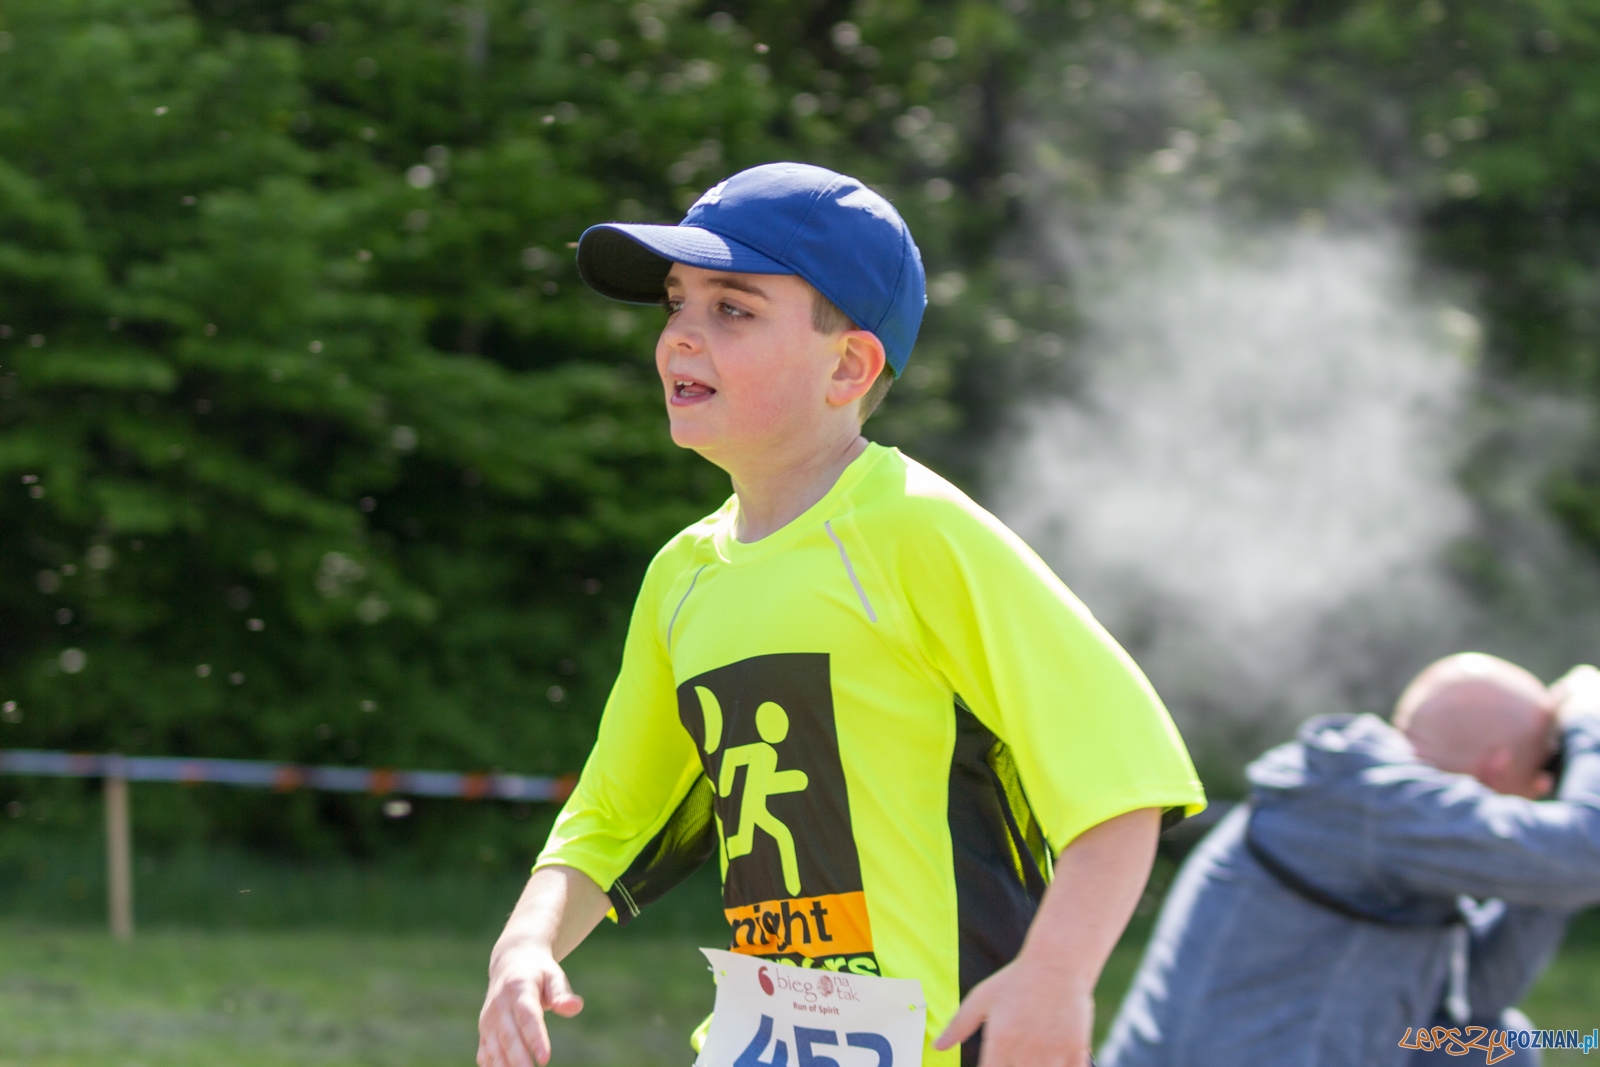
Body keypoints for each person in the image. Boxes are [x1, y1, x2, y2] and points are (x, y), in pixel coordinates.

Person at [475, 162, 1206, 1067]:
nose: (680, 339)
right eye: (675, 304)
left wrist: (1054, 977)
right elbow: (614, 811)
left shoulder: (919, 533)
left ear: (849, 365)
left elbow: (1122, 781)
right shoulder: (683, 574)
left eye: (732, 309)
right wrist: (527, 942)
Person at [1099, 653, 1600, 1067]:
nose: (1544, 789)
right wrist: (1589, 726)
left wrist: (1548, 879)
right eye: (1547, 768)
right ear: (1499, 766)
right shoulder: (1369, 802)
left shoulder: (1393, 819)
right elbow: (1588, 852)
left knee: (1497, 1047)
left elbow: (1478, 998)